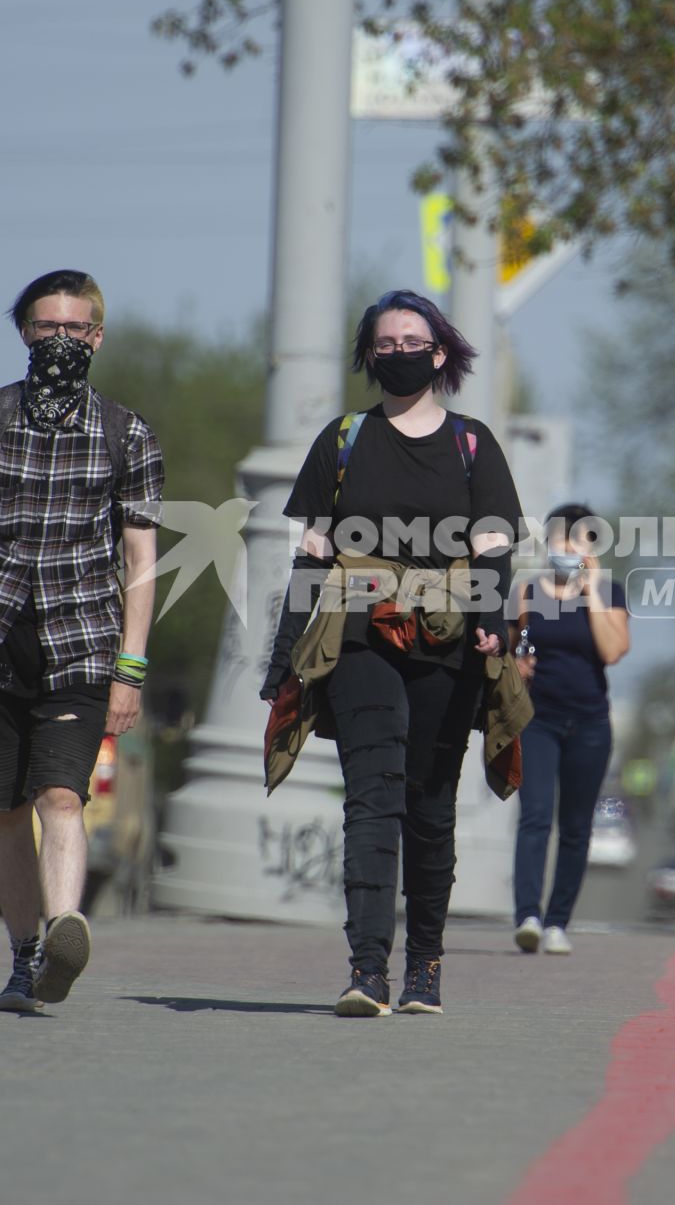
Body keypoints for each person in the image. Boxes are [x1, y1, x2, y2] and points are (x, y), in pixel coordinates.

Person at [261, 289, 524, 1017]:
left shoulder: (473, 445)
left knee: (429, 806)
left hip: (450, 641)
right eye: (386, 342)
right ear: (368, 355)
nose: (400, 351)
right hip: (358, 633)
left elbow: (494, 548)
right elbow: (310, 561)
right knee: (373, 796)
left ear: (440, 354)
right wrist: (284, 656)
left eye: (414, 340)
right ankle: (367, 969)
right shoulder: (341, 441)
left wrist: (493, 622)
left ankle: (426, 967)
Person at [0, 269, 164, 1012]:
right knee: (5, 806)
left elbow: (141, 559)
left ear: (96, 335)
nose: (61, 341)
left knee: (62, 794)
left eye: (75, 328)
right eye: (46, 327)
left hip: (84, 638)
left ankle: (64, 930)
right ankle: (26, 957)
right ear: (25, 332)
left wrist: (131, 668)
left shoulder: (128, 431)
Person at [510, 504, 630, 955]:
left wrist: (592, 589)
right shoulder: (524, 590)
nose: (567, 548)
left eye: (579, 540)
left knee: (576, 826)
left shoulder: (611, 592)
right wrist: (516, 663)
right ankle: (528, 917)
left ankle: (559, 921)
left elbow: (614, 651)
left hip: (590, 725)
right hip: (537, 719)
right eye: (561, 539)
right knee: (535, 816)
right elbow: (505, 648)